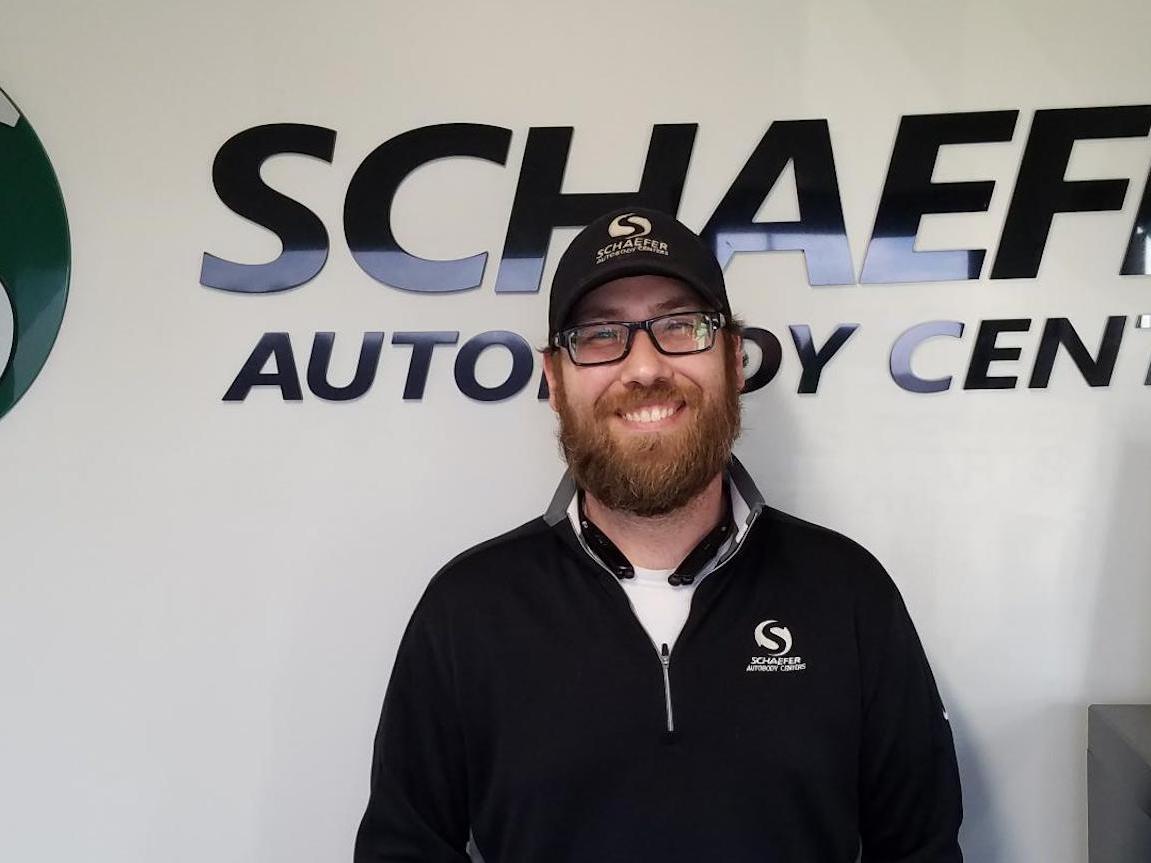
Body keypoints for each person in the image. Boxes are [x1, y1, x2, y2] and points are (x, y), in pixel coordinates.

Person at [354, 207, 963, 862]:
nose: (643, 367)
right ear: (554, 380)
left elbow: (922, 850)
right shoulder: (466, 613)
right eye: (598, 334)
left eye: (679, 325)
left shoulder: (848, 594)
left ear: (732, 358)